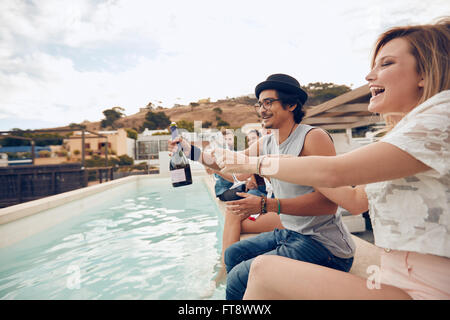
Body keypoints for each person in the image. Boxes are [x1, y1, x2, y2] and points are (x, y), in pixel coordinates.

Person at [215, 18, 450, 300]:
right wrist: (192, 152)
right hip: (392, 278)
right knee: (247, 264)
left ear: (425, 73)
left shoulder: (441, 117)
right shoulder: (404, 133)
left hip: (428, 290)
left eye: (386, 64)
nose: (369, 76)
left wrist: (259, 168)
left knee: (262, 271)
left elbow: (336, 173)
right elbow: (354, 200)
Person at [216, 73, 356, 300]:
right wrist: (191, 152)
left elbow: (328, 204)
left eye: (269, 102)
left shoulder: (313, 137)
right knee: (233, 254)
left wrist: (265, 204)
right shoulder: (268, 141)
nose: (262, 109)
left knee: (239, 276)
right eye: (259, 104)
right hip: (291, 233)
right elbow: (236, 166)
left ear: (291, 104)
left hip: (325, 246)